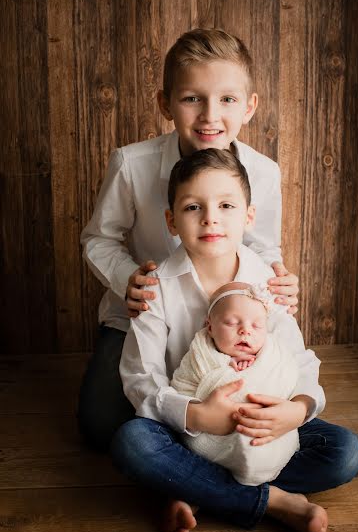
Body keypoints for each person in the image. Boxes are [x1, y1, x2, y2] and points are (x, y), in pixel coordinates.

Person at [113, 148, 358, 532]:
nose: (211, 218)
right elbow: (141, 379)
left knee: (345, 452)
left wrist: (295, 411)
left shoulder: (267, 284)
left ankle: (197, 489)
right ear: (172, 221)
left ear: (248, 217)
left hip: (262, 426)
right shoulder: (155, 287)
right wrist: (198, 415)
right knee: (133, 443)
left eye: (227, 205)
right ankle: (279, 503)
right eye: (194, 207)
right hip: (189, 428)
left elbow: (300, 363)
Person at [78, 28, 300, 452]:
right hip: (141, 314)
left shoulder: (264, 172)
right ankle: (189, 446)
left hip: (229, 316)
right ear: (166, 104)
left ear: (249, 107)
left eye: (228, 99)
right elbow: (99, 239)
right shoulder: (131, 164)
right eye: (192, 98)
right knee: (100, 424)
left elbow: (263, 247)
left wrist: (277, 276)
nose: (210, 116)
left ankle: (193, 463)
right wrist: (129, 279)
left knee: (262, 409)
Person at [171, 280, 301, 486]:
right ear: (210, 327)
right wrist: (225, 368)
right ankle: (264, 495)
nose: (245, 331)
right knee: (137, 440)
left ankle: (201, 489)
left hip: (265, 430)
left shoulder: (274, 354)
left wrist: (256, 369)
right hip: (211, 431)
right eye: (232, 323)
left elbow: (289, 379)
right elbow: (181, 387)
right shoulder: (199, 355)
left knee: (344, 453)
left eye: (257, 325)